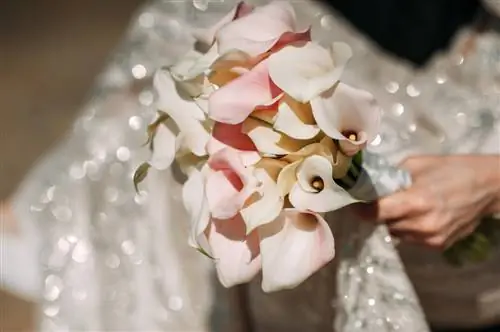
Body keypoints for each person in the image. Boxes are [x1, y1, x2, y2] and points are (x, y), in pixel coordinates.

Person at [1, 0, 500, 331]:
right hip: (373, 51)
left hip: (467, 119)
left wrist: (487, 183)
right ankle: (60, 215)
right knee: (188, 33)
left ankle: (52, 222)